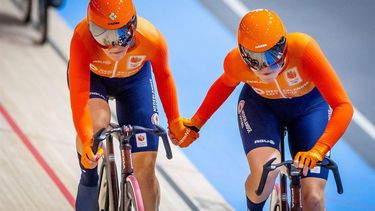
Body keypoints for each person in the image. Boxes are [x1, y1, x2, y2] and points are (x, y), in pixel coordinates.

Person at [169, 9, 353, 211]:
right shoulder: (235, 62)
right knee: (265, 176)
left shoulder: (304, 49)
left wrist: (319, 150)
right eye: (255, 58)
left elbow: (343, 106)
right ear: (242, 53)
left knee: (314, 199)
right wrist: (195, 124)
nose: (266, 66)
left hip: (309, 110)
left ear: (285, 45)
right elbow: (223, 86)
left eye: (273, 53)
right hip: (262, 108)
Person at [68, 0, 198, 210]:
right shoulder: (81, 38)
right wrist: (85, 142)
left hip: (134, 82)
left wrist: (175, 121)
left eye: (122, 35)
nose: (114, 45)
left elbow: (163, 77)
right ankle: (89, 178)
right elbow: (79, 96)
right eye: (103, 37)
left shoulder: (152, 39)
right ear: (92, 30)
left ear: (133, 26)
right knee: (97, 123)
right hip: (95, 80)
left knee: (145, 171)